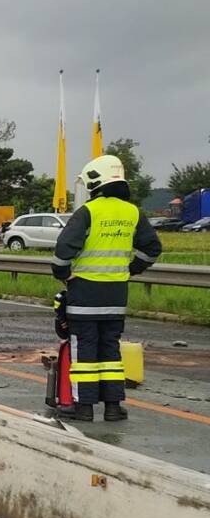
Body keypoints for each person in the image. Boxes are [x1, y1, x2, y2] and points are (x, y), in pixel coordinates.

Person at [51, 155, 161, 421]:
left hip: (85, 294)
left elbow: (63, 250)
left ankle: (83, 407)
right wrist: (131, 269)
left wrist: (63, 274)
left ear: (94, 181)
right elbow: (152, 249)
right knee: (111, 350)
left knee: (84, 350)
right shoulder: (132, 212)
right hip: (116, 295)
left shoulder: (88, 211)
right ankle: (113, 407)